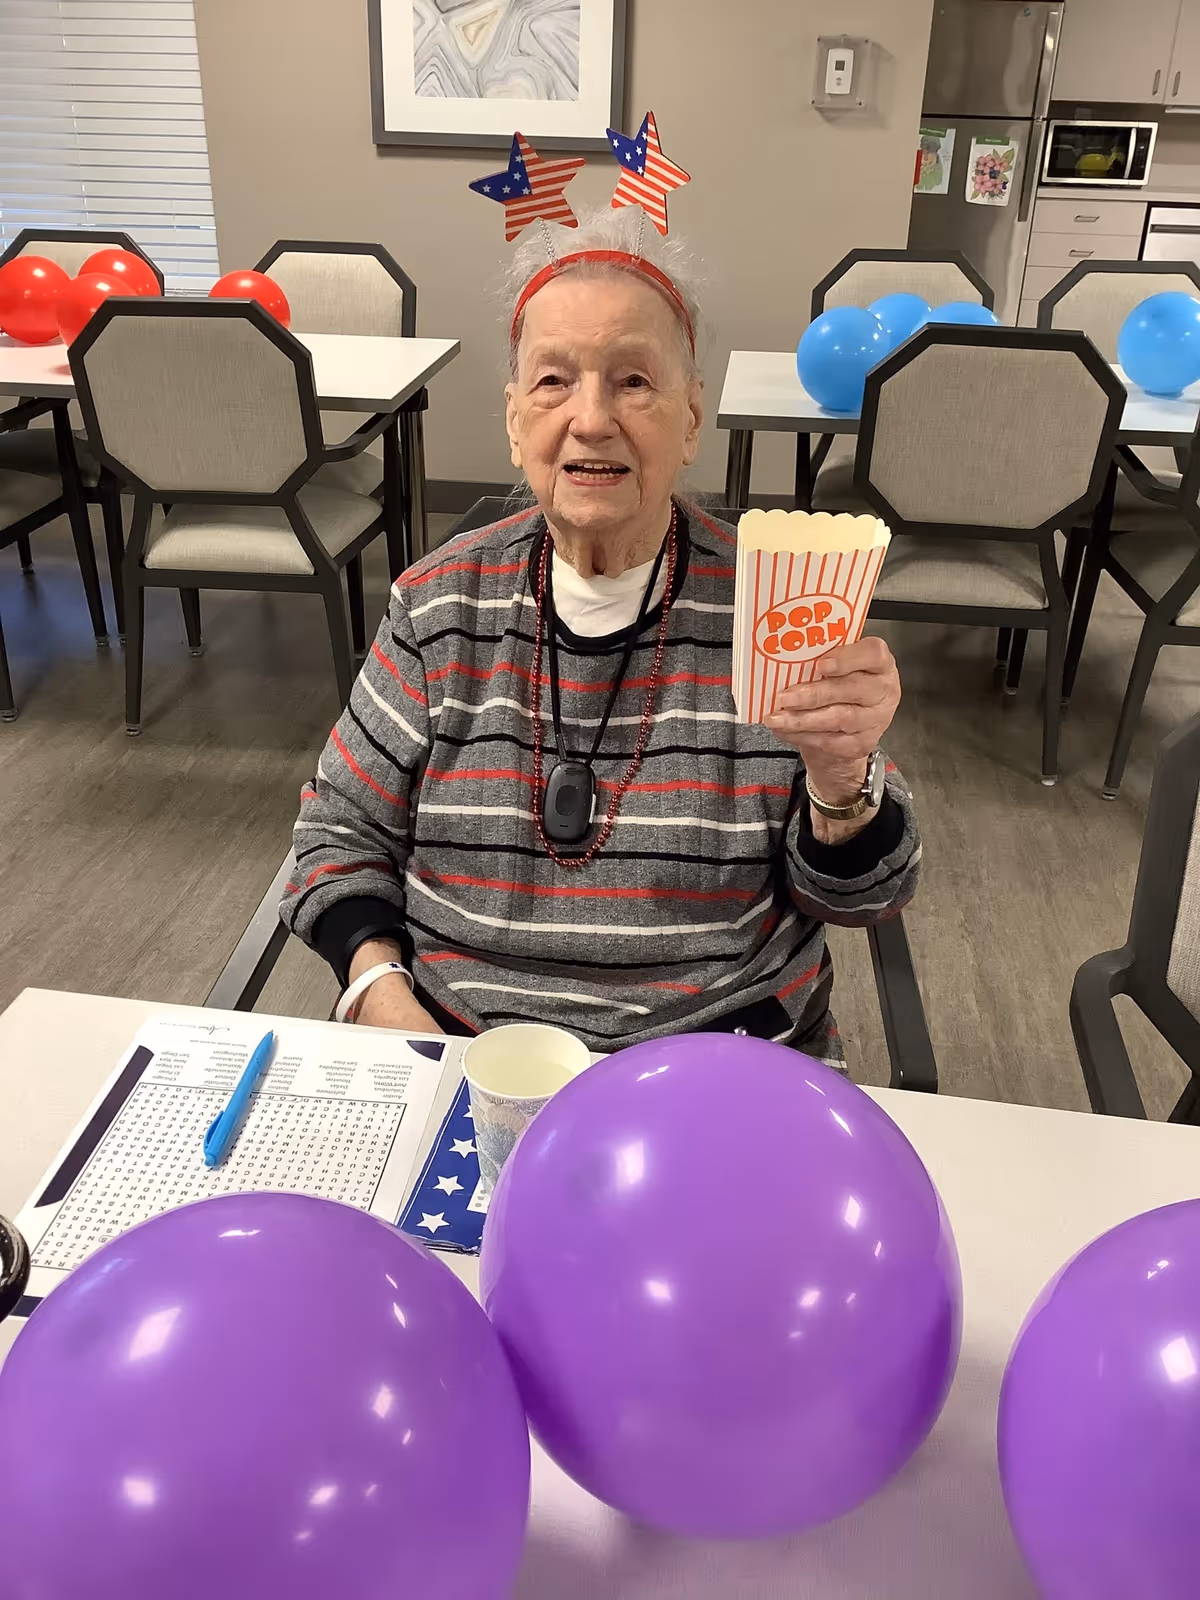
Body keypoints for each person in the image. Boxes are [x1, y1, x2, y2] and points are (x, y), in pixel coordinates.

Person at [281, 212, 919, 1063]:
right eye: (553, 381)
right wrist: (375, 988)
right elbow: (337, 832)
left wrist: (841, 782)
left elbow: (869, 893)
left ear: (691, 419)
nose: (590, 419)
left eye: (632, 381)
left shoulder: (777, 602)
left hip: (717, 1069)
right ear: (514, 422)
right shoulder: (438, 608)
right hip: (466, 1061)